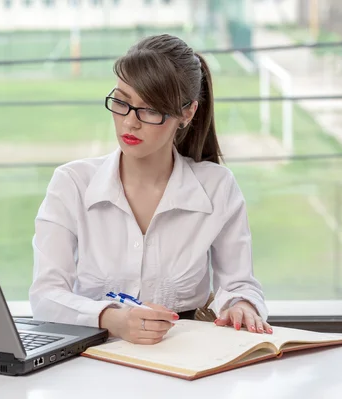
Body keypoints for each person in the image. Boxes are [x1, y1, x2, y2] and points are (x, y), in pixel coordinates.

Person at [29, 34, 272, 345]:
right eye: (121, 101)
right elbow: (45, 296)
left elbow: (240, 284)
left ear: (187, 113)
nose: (130, 122)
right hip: (93, 359)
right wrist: (112, 320)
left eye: (151, 109)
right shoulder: (72, 183)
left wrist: (242, 305)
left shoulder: (217, 187)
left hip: (184, 358)